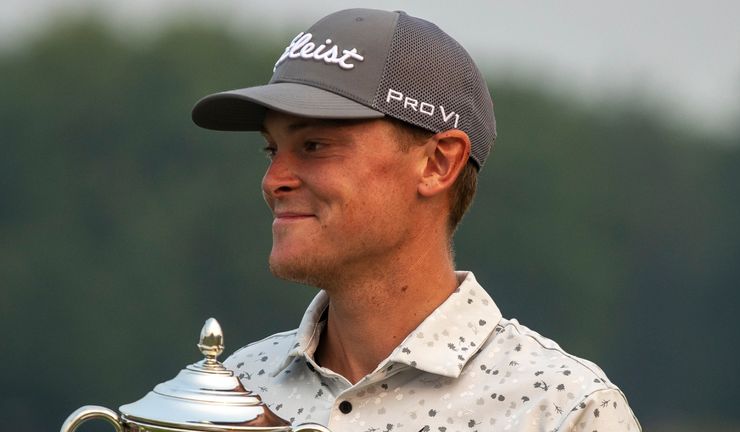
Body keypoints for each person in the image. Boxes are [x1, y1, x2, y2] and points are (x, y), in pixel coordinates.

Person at [191, 8, 641, 432]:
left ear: (438, 164)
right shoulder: (235, 388)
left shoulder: (562, 411)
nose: (273, 181)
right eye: (272, 150)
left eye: (314, 146)